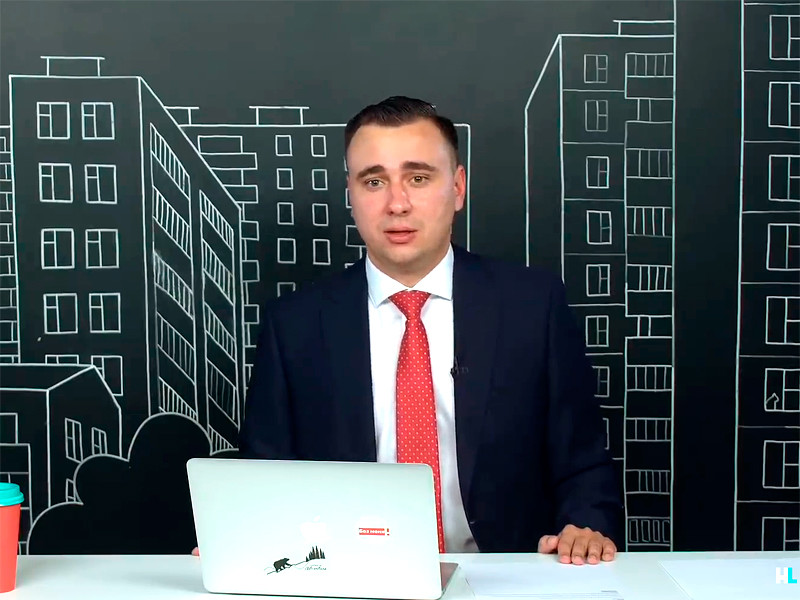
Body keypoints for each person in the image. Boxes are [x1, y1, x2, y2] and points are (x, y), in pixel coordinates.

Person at [239, 96, 623, 564]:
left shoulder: (532, 305)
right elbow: (264, 479)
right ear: (351, 195)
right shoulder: (294, 324)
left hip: (509, 575)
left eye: (418, 178)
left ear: (458, 188)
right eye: (374, 181)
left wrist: (585, 527)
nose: (397, 204)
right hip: (351, 576)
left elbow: (583, 462)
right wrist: (243, 541)